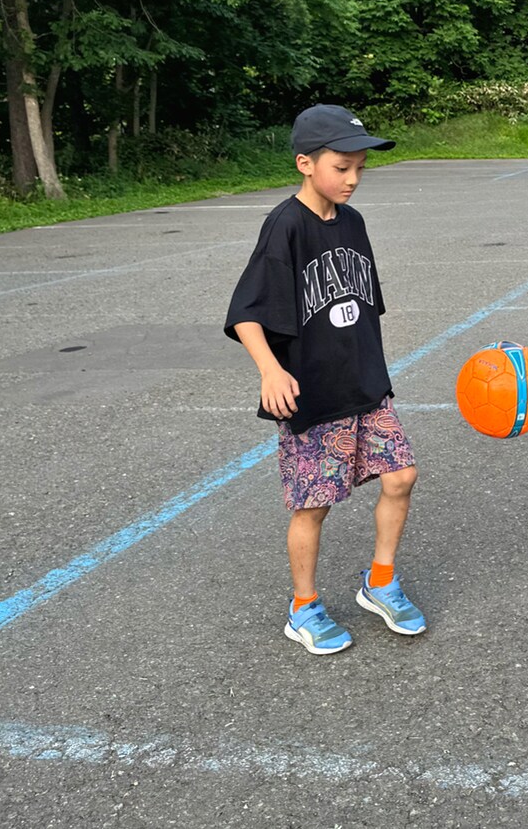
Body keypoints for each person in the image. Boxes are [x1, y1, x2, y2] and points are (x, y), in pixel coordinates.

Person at [224, 103, 425, 654]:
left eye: (360, 167)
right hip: (311, 393)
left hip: (364, 383)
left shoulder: (353, 222)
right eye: (342, 166)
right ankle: (304, 606)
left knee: (401, 476)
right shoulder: (284, 226)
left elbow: (358, 306)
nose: (353, 178)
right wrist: (269, 369)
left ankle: (379, 583)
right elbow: (246, 311)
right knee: (314, 503)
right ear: (305, 163)